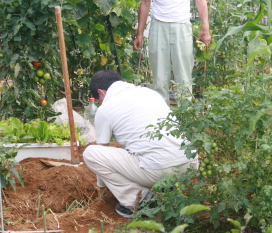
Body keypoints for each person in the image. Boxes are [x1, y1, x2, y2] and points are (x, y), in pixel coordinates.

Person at [82, 70, 198, 218]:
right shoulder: (150, 94)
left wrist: (103, 187)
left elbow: (101, 150)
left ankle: (141, 202)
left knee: (91, 153)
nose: (100, 103)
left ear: (101, 93)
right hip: (190, 163)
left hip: (160, 171)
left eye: (98, 100)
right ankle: (166, 194)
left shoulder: (105, 109)